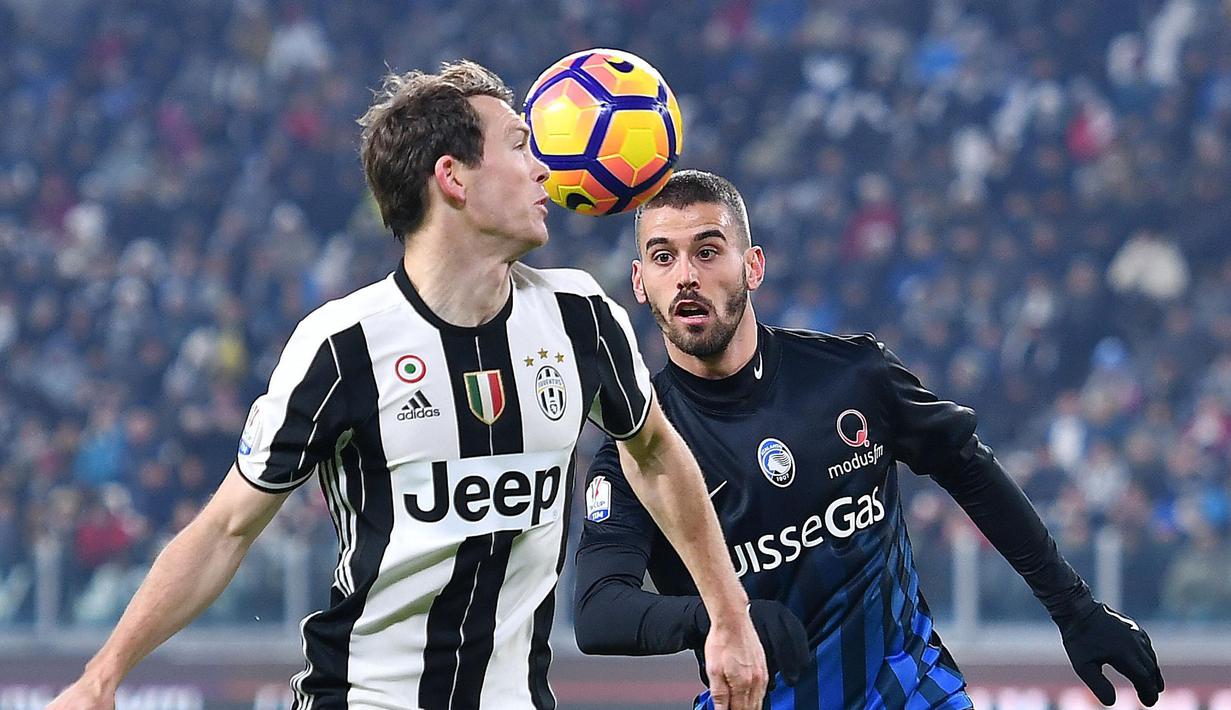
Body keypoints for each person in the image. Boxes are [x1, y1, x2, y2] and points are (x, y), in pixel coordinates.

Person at [48, 63, 769, 710]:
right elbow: (225, 529)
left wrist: (728, 615)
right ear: (453, 178)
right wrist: (102, 678)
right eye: (519, 146)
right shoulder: (344, 346)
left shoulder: (581, 318)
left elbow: (654, 454)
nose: (543, 169)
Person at [573, 170, 1166, 709]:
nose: (686, 276)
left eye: (707, 251)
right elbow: (599, 609)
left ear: (753, 266)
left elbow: (969, 468)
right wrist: (720, 619)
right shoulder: (639, 450)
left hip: (911, 693)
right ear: (640, 282)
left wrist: (1074, 609)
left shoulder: (852, 375)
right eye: (663, 257)